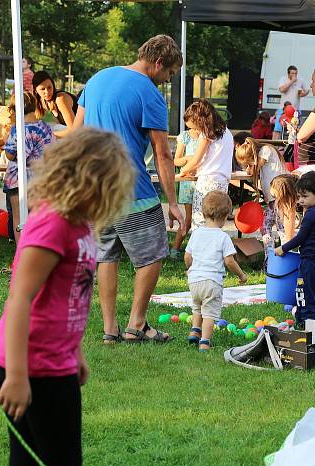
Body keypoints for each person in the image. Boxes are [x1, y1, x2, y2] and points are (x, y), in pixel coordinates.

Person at [0, 128, 134, 466]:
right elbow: (20, 299)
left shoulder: (79, 223)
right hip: (32, 364)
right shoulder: (51, 224)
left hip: (54, 360)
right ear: (90, 179)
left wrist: (77, 351)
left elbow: (70, 294)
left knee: (33, 462)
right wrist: (17, 377)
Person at [73, 34, 184, 344]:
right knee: (152, 255)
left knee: (106, 257)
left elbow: (75, 133)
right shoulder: (150, 93)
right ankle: (137, 325)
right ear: (159, 63)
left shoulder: (97, 79)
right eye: (169, 74)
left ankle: (110, 330)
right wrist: (172, 202)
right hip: (132, 188)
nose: (167, 80)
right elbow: (162, 154)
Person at [184, 190, 247, 352]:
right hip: (212, 282)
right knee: (210, 313)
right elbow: (229, 261)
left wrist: (190, 269)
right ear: (225, 216)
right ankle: (204, 342)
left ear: (204, 212)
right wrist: (241, 274)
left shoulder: (196, 233)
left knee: (197, 307)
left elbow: (187, 256)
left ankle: (194, 332)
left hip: (194, 280)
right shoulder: (223, 237)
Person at [274, 171, 315, 328]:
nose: (300, 201)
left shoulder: (312, 214)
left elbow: (301, 238)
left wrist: (283, 248)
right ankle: (304, 323)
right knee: (308, 296)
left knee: (304, 297)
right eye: (299, 197)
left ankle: (306, 329)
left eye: (304, 197)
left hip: (310, 263)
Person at [3, 91, 54, 243]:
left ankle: (22, 258)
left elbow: (10, 155)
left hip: (17, 180)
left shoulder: (18, 129)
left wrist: (6, 139)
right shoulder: (46, 128)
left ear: (15, 109)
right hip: (41, 179)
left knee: (19, 219)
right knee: (39, 219)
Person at [176, 99, 234, 228]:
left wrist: (183, 170)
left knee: (200, 222)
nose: (195, 130)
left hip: (206, 183)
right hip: (222, 183)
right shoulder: (227, 133)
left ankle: (199, 248)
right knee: (217, 223)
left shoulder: (206, 134)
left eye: (195, 127)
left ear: (200, 121)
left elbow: (196, 159)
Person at [235, 137, 287, 243]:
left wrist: (250, 166)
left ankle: (283, 250)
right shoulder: (261, 154)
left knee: (278, 226)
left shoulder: (266, 150)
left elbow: (252, 171)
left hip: (278, 196)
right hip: (273, 198)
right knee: (269, 226)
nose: (247, 166)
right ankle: (272, 253)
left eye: (248, 163)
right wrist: (249, 164)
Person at [170, 110, 201, 258]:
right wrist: (189, 159)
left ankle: (196, 250)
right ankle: (175, 249)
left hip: (202, 180)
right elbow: (176, 161)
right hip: (188, 183)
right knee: (189, 219)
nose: (188, 125)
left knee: (202, 217)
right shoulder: (185, 137)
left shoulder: (205, 136)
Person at [32, 71, 78, 137]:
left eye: (49, 87)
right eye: (42, 89)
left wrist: (49, 135)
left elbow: (74, 130)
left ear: (53, 85)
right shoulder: (42, 102)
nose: (47, 92)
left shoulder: (60, 99)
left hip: (89, 131)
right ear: (35, 90)